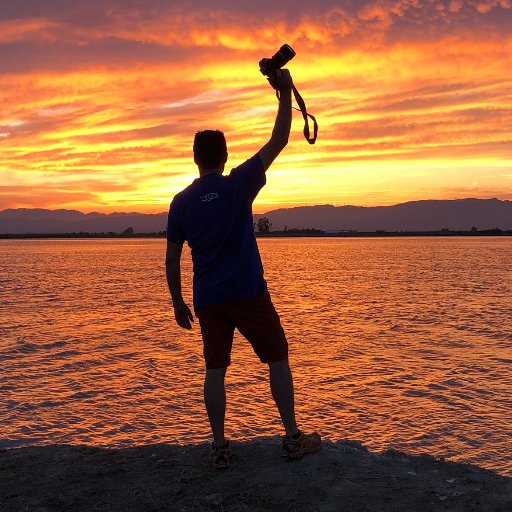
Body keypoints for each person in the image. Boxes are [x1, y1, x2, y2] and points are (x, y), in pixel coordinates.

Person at [165, 69, 321, 469]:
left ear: (196, 158)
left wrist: (178, 303)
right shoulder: (239, 184)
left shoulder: (181, 201)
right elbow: (280, 139)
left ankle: (219, 447)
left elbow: (171, 257)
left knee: (214, 368)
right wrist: (285, 93)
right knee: (278, 358)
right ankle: (291, 439)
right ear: (225, 156)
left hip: (209, 300)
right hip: (249, 292)